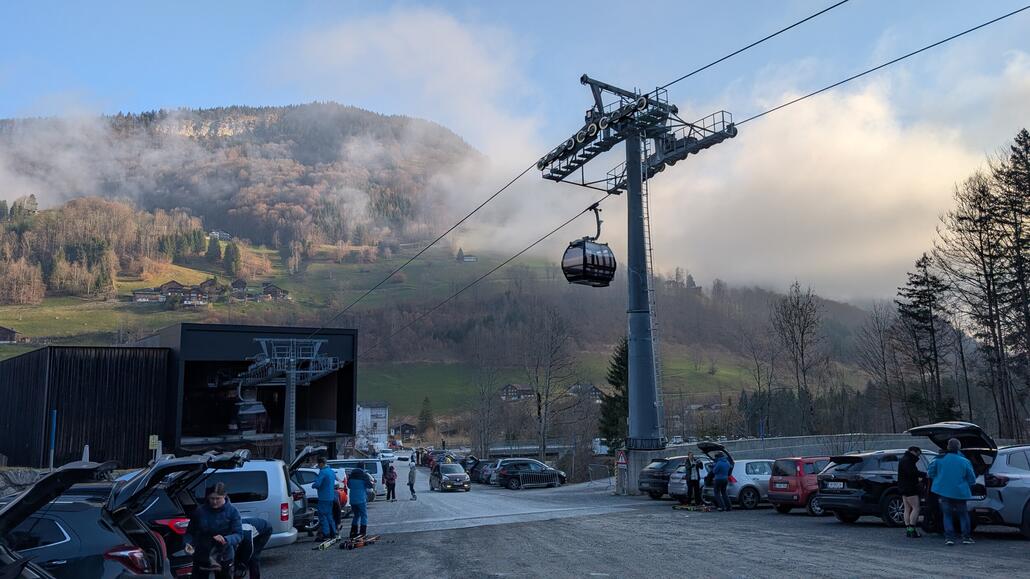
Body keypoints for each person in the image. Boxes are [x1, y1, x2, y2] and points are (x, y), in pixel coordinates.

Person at [927, 437, 977, 546]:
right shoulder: (965, 461)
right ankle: (966, 537)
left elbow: (930, 473)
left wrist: (939, 478)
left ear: (948, 447)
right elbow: (972, 478)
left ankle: (949, 538)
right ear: (959, 448)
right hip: (960, 492)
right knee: (963, 514)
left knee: (947, 514)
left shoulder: (938, 459)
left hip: (943, 491)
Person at [184, 482, 243, 573]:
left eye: (217, 498)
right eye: (212, 498)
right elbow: (190, 532)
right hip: (202, 552)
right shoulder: (200, 511)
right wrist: (187, 543)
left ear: (224, 496)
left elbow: (239, 535)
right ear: (208, 497)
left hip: (224, 554)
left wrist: (226, 539)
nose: (214, 501)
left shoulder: (233, 511)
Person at [898, 446, 925, 538]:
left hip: (903, 488)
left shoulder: (903, 459)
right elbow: (912, 473)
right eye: (918, 453)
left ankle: (908, 529)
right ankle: (912, 529)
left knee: (907, 508)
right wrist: (924, 475)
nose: (918, 456)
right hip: (910, 488)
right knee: (916, 508)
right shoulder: (908, 461)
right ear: (914, 451)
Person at [313, 457, 338, 541]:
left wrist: (313, 485)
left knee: (322, 516)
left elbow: (317, 484)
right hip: (331, 497)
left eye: (318, 464)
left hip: (323, 497)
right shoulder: (331, 471)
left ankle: (326, 534)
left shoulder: (323, 472)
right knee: (329, 515)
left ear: (321, 463)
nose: (318, 466)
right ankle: (333, 532)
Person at [347, 467, 372, 538]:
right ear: (363, 467)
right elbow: (370, 486)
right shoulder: (364, 476)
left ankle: (353, 532)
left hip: (352, 499)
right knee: (364, 515)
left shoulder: (351, 477)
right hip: (361, 499)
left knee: (356, 515)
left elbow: (348, 486)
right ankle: (362, 532)